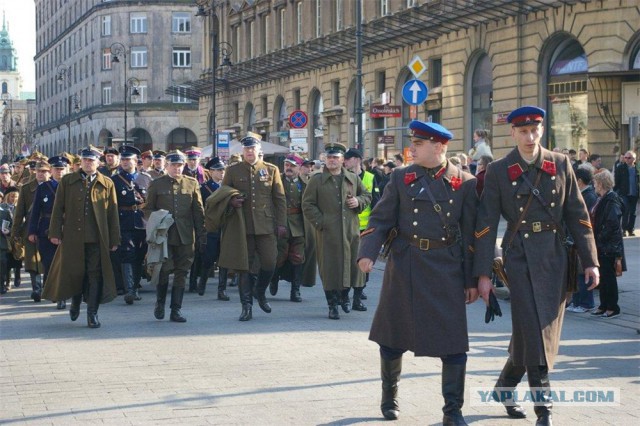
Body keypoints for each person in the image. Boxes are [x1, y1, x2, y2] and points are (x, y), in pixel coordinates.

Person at [473, 106, 599, 425]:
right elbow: (486, 225)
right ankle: (544, 410)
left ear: (542, 130)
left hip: (555, 260)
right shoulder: (499, 171)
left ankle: (504, 387)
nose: (530, 138)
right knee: (536, 334)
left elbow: (578, 214)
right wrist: (483, 274)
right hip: (519, 261)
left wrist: (591, 261)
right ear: (512, 133)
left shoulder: (560, 163)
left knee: (533, 335)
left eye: (535, 131)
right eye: (523, 132)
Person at [357, 121, 478, 424]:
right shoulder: (400, 178)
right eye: (413, 141)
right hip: (406, 264)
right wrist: (367, 253)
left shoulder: (464, 182)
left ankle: (453, 411)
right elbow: (380, 219)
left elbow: (473, 235)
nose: (412, 147)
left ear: (439, 146)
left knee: (453, 344)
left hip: (446, 268)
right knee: (392, 338)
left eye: (419, 143)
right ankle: (389, 396)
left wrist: (473, 279)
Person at [42, 146, 121, 328]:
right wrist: (54, 232)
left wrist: (114, 239)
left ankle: (92, 313)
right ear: (81, 162)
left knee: (95, 275)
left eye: (91, 160)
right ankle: (75, 303)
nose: (88, 163)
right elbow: (58, 208)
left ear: (98, 162)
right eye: (85, 160)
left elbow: (112, 213)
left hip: (96, 238)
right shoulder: (68, 181)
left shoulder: (106, 183)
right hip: (72, 238)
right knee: (77, 273)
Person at [221, 134, 287, 321]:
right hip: (243, 226)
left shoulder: (271, 170)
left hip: (266, 226)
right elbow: (223, 194)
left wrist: (281, 223)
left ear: (259, 150)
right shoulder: (233, 171)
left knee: (269, 262)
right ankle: (246, 306)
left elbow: (279, 199)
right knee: (245, 267)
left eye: (252, 148)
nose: (250, 151)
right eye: (247, 149)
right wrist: (231, 200)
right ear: (243, 151)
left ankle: (260, 291)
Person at [302, 142, 371, 320]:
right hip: (327, 232)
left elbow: (367, 195)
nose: (332, 160)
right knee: (330, 267)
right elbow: (307, 204)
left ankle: (344, 297)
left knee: (351, 265)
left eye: (335, 157)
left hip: (350, 231)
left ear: (342, 160)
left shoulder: (352, 178)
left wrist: (358, 201)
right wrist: (321, 222)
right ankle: (332, 304)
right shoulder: (317, 179)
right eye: (329, 157)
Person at [144, 150, 206, 323]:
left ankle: (176, 310)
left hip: (186, 236)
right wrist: (158, 219)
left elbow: (198, 212)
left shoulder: (192, 183)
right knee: (164, 270)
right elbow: (147, 209)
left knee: (182, 272)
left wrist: (202, 235)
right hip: (164, 237)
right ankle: (160, 303)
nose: (177, 169)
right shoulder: (157, 184)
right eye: (174, 165)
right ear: (167, 166)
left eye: (180, 165)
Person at [27, 155, 70, 308]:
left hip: (67, 228)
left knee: (65, 263)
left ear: (67, 169)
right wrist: (31, 231)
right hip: (45, 229)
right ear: (51, 170)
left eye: (62, 169)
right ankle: (54, 291)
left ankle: (62, 296)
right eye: (56, 169)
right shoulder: (43, 188)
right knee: (50, 263)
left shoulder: (71, 186)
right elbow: (35, 211)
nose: (59, 172)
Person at [111, 145, 148, 305]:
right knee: (128, 253)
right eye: (123, 159)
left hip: (142, 221)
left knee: (140, 255)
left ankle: (136, 286)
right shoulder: (115, 180)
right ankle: (130, 290)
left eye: (128, 159)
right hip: (124, 220)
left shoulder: (146, 178)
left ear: (135, 161)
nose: (125, 162)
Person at [344, 147, 380, 311]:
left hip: (365, 227)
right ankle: (344, 295)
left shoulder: (371, 178)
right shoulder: (342, 176)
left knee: (363, 261)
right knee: (345, 262)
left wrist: (376, 225)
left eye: (348, 159)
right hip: (346, 226)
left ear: (357, 160)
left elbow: (377, 202)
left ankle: (358, 294)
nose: (345, 161)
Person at [269, 154, 306, 302]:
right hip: (280, 223)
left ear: (299, 168)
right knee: (279, 256)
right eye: (286, 165)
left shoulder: (305, 183)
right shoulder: (276, 181)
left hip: (298, 225)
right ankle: (274, 279)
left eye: (292, 166)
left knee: (298, 257)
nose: (289, 168)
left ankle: (295, 290)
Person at [11, 160, 49, 303]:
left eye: (44, 171)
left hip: (48, 228)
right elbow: (19, 212)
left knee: (47, 260)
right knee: (32, 261)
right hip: (30, 229)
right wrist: (15, 232)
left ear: (49, 172)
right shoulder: (26, 188)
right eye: (39, 171)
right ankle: (36, 289)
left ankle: (47, 287)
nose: (41, 174)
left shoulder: (55, 187)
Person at [591, 170, 625, 318]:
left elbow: (612, 224)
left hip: (608, 245)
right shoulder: (603, 198)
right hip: (602, 243)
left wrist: (600, 237)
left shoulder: (611, 199)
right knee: (603, 276)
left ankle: (612, 306)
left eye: (595, 183)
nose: (594, 185)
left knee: (608, 277)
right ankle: (603, 305)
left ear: (600, 183)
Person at [197, 156, 229, 300]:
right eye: (218, 170)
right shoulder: (204, 188)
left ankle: (222, 290)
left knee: (224, 259)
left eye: (222, 170)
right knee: (209, 258)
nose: (221, 172)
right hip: (211, 227)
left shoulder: (228, 187)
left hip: (226, 226)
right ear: (211, 172)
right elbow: (201, 207)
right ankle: (202, 282)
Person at [567, 166, 598, 313]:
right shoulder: (583, 195)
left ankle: (586, 303)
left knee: (583, 273)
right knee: (576, 272)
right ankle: (577, 301)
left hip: (582, 240)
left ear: (579, 181)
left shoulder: (589, 196)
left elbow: (586, 222)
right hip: (575, 240)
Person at [614, 151, 638, 236]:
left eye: (629, 158)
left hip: (635, 194)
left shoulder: (637, 169)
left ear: (634, 159)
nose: (627, 159)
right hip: (624, 193)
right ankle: (623, 230)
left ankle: (630, 230)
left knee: (633, 212)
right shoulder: (620, 168)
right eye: (625, 157)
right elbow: (616, 182)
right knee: (626, 210)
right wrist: (614, 191)